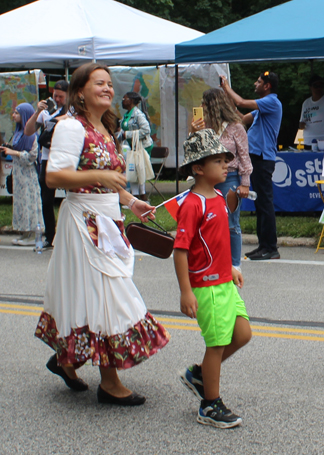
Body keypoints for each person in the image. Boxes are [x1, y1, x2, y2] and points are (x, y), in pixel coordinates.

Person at [34, 63, 170, 406]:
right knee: (107, 294)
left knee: (88, 294)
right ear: (81, 92)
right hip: (83, 221)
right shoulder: (70, 127)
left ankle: (67, 359)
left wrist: (132, 201)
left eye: (110, 84)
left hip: (107, 220)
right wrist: (102, 177)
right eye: (100, 84)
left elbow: (110, 180)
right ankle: (109, 382)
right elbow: (54, 177)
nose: (108, 89)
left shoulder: (106, 127)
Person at [174, 129, 252, 429]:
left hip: (224, 282)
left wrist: (230, 268)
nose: (225, 166)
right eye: (218, 161)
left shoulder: (219, 197)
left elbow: (217, 242)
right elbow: (180, 251)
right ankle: (209, 404)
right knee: (216, 345)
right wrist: (186, 292)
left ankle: (200, 375)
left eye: (225, 160)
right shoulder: (192, 205)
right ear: (198, 168)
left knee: (242, 333)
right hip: (205, 286)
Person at [221, 72, 282, 261]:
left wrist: (226, 88)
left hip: (263, 158)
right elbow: (241, 118)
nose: (255, 84)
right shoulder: (262, 108)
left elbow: (241, 102)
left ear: (267, 86)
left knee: (265, 203)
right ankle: (263, 245)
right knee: (260, 204)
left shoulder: (272, 101)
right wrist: (230, 103)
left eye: (259, 82)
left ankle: (271, 247)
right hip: (256, 157)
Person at [190, 88, 252, 270]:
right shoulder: (203, 127)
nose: (201, 107)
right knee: (208, 221)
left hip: (230, 177)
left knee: (231, 222)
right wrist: (193, 133)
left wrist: (245, 182)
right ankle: (212, 261)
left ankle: (235, 265)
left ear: (213, 105)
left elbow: (244, 156)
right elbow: (193, 154)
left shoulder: (236, 127)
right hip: (206, 180)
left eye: (204, 103)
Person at [24, 80, 69, 250]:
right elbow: (29, 131)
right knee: (46, 200)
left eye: (61, 96)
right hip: (47, 159)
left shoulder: (72, 112)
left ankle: (70, 236)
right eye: (55, 95)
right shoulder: (47, 112)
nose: (57, 99)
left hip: (66, 159)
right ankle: (50, 237)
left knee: (71, 197)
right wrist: (38, 111)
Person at [0, 103, 43, 246]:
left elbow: (32, 156)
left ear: (24, 115)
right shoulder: (18, 133)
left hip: (28, 175)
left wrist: (14, 153)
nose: (13, 116)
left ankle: (31, 235)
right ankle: (24, 233)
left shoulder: (31, 135)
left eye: (17, 113)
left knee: (28, 202)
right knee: (20, 203)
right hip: (18, 174)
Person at [119, 91, 154, 202]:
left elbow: (146, 130)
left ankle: (142, 195)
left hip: (142, 147)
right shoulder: (127, 115)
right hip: (132, 147)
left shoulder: (138, 114)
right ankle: (135, 196)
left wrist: (127, 135)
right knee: (132, 169)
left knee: (139, 169)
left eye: (125, 99)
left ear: (132, 101)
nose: (123, 101)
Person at [298, 74, 324, 148]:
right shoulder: (306, 103)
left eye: (321, 85)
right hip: (308, 139)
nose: (318, 88)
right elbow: (301, 122)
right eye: (316, 86)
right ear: (310, 87)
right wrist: (301, 125)